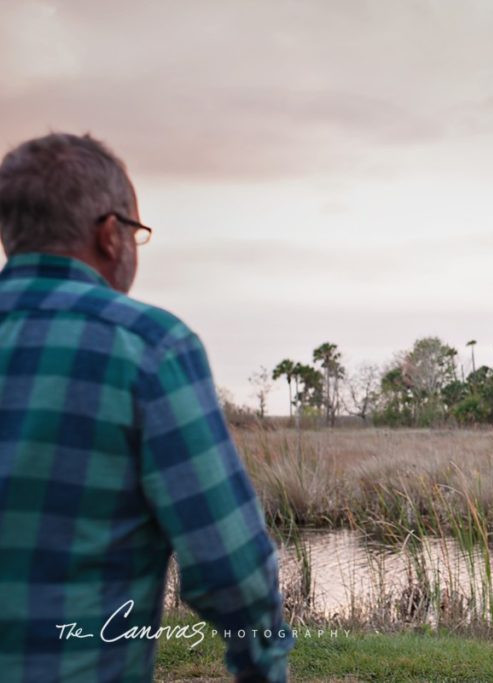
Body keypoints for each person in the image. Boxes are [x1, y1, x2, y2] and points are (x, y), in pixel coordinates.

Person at [0, 133, 293, 682]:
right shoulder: (148, 348)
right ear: (111, 235)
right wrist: (262, 665)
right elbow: (231, 568)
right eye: (137, 233)